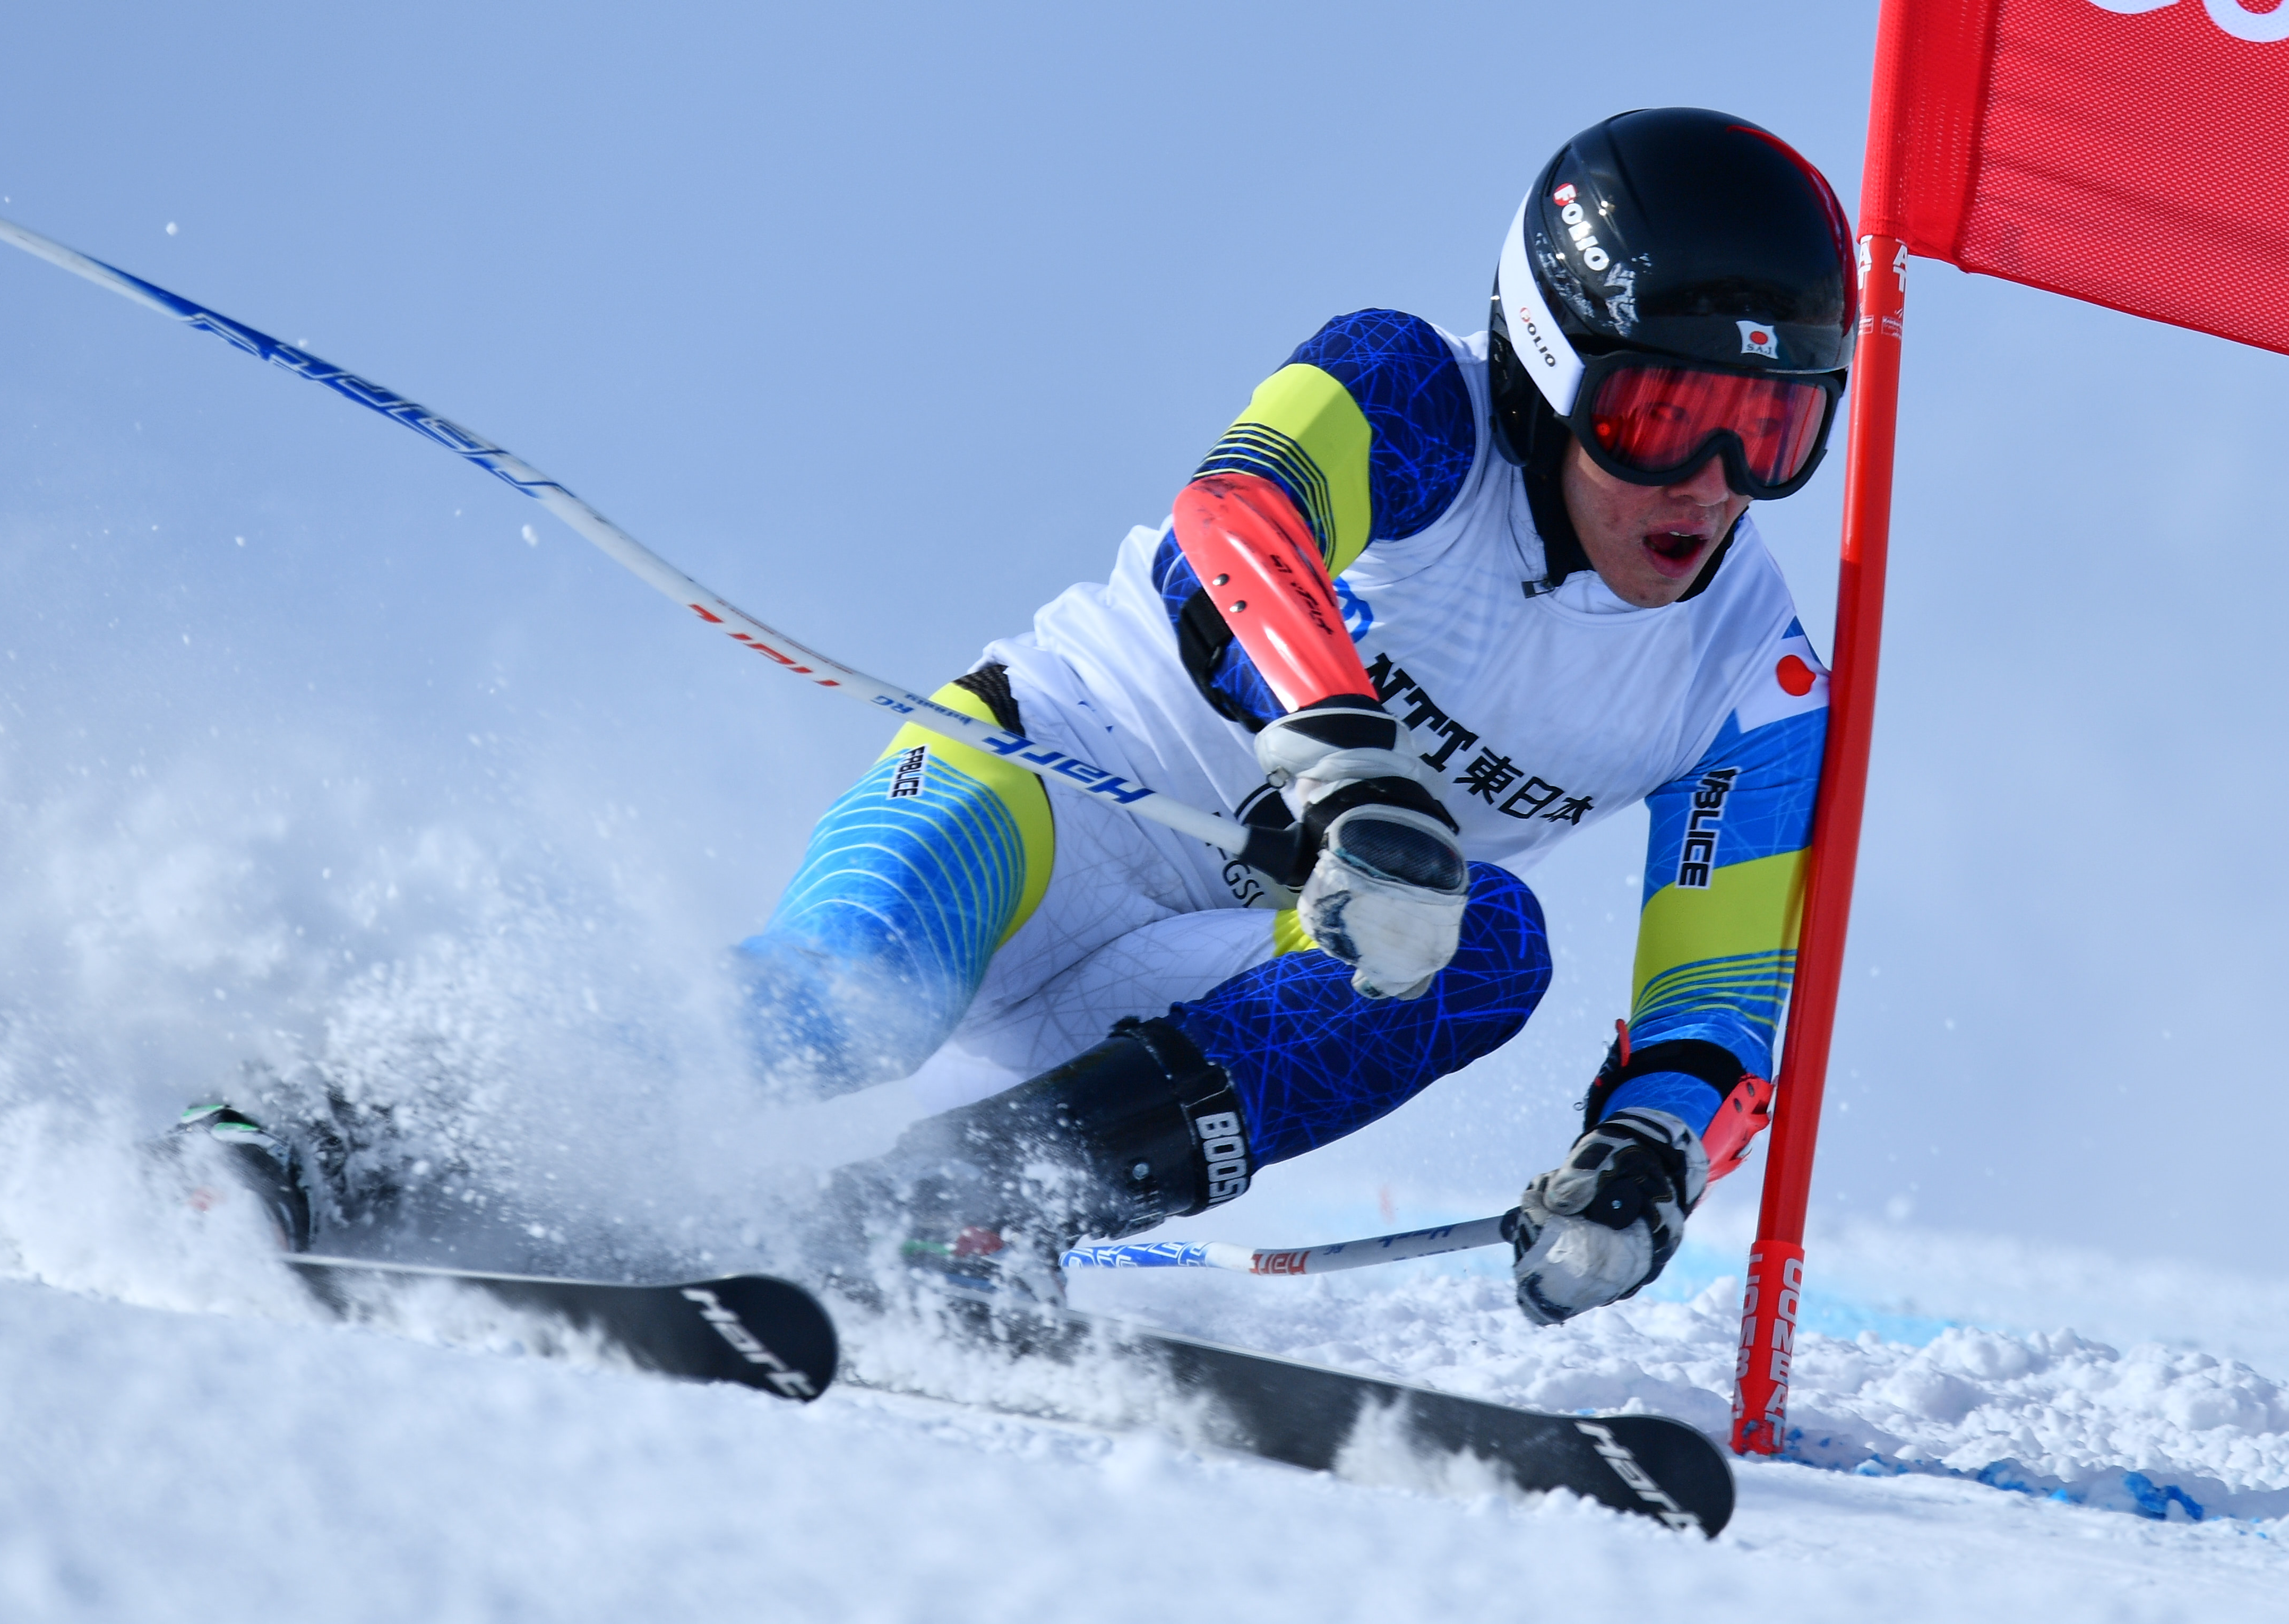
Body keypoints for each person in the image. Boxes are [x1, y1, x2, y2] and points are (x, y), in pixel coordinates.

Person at [739, 105, 1849, 1324]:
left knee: (1480, 947)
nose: (1706, 484)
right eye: (1654, 419)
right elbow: (1227, 529)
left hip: (1230, 961)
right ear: (1545, 366)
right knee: (824, 1015)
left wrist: (1646, 1156)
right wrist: (1352, 776)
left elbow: (1720, 999)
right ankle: (529, 1099)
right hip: (1043, 793)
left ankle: (955, 1211)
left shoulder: (1752, 677)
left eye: (1768, 431)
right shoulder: (1411, 394)